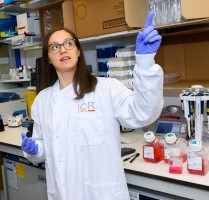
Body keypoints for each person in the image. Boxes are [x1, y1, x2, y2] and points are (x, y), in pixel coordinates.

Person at [21, 12, 163, 200]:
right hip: (63, 194)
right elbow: (43, 147)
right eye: (54, 47)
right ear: (48, 57)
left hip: (102, 194)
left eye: (68, 44)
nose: (63, 50)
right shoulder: (43, 100)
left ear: (78, 51)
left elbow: (144, 113)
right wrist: (33, 150)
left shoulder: (107, 89)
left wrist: (145, 63)